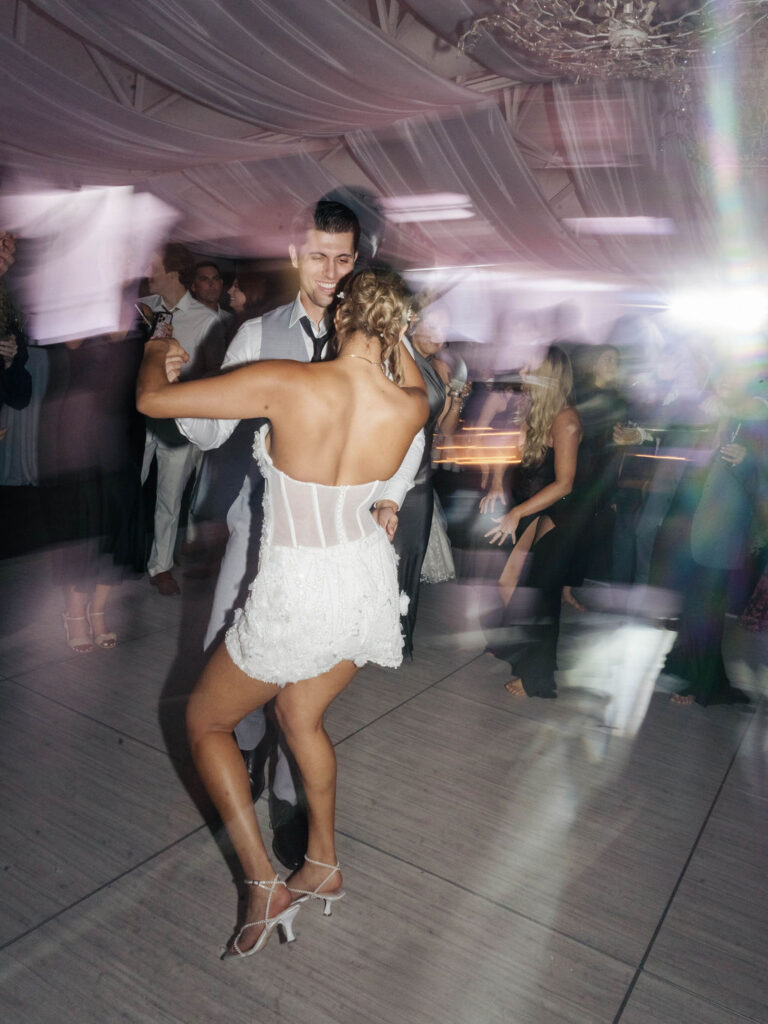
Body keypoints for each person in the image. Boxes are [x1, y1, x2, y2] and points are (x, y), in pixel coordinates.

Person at [137, 268, 429, 957]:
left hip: (299, 589)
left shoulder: (286, 382)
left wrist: (156, 346)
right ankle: (322, 863)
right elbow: (412, 374)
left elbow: (154, 401)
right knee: (299, 716)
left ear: (338, 315)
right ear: (397, 330)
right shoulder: (411, 406)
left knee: (206, 721)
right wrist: (398, 336)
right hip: (365, 582)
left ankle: (263, 883)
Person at [175, 200, 423, 870]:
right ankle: (242, 770)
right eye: (318, 257)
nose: (331, 272)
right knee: (233, 668)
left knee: (303, 698)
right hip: (259, 530)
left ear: (357, 262)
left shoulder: (379, 341)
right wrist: (187, 387)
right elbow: (210, 431)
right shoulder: (258, 335)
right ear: (295, 257)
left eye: (343, 259)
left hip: (332, 543)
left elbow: (411, 436)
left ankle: (289, 802)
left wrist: (391, 497)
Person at [480, 345, 582, 698]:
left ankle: (538, 678)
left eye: (529, 368)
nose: (521, 372)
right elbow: (507, 450)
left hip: (556, 512)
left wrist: (517, 513)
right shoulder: (532, 407)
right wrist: (496, 483)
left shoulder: (566, 420)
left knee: (538, 595)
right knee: (508, 583)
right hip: (528, 505)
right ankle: (511, 645)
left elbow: (564, 484)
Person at [140, 243, 226, 596]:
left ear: (173, 273)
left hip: (178, 423)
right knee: (130, 490)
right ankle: (128, 555)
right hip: (139, 419)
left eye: (154, 268)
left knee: (169, 499)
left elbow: (213, 374)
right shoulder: (143, 309)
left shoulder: (206, 320)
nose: (147, 273)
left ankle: (160, 566)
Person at [190, 261, 234, 328]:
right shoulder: (183, 320)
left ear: (221, 283)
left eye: (215, 279)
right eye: (204, 279)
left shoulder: (231, 320)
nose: (211, 284)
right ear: (193, 286)